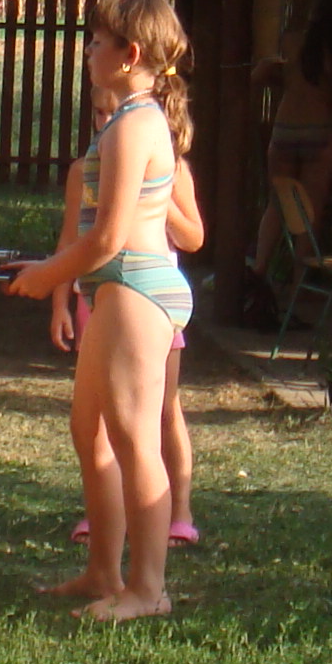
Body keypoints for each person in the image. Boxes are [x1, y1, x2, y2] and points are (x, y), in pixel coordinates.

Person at [11, 0, 193, 623]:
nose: (88, 50)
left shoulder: (137, 126)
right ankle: (103, 572)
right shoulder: (127, 121)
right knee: (89, 430)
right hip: (117, 287)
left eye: (96, 41)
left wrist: (49, 276)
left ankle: (148, 589)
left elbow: (110, 236)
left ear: (129, 54)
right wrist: (58, 275)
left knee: (135, 437)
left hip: (134, 287)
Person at [56, 89, 207, 550]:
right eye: (99, 114)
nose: (106, 121)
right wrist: (59, 301)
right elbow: (70, 240)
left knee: (162, 409)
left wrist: (156, 197)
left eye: (113, 112)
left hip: (149, 300)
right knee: (98, 418)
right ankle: (105, 515)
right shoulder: (85, 170)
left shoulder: (172, 168)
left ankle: (179, 511)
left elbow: (194, 237)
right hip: (98, 295)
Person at [253, 0, 332, 276]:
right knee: (311, 209)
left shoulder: (291, 42)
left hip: (284, 130)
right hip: (320, 133)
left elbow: (276, 75)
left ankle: (259, 271)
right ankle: (297, 279)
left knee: (278, 203)